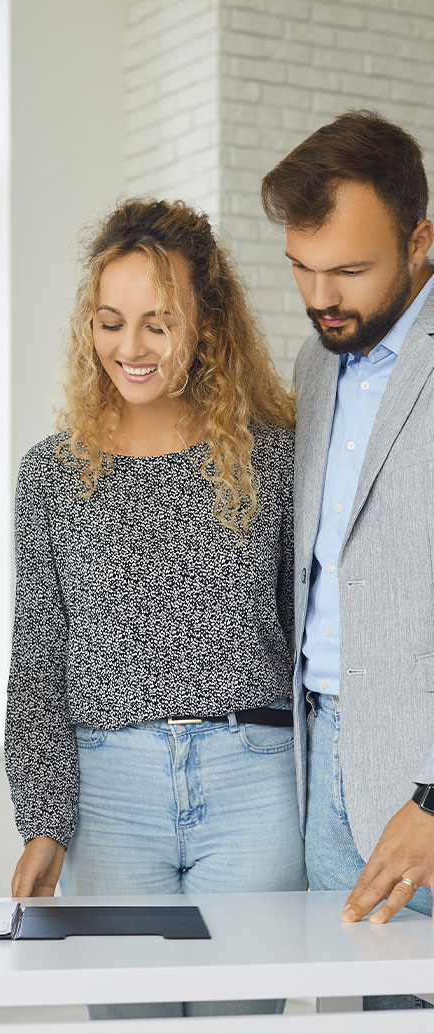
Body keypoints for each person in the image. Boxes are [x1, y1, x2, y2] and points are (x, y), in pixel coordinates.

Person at [5, 198, 304, 1019]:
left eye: (156, 323)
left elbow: (311, 635)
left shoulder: (275, 454)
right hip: (110, 796)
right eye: (109, 322)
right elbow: (38, 661)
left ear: (207, 326)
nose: (127, 349)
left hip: (255, 785)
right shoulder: (51, 474)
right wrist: (44, 819)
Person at [262, 110, 434, 1012]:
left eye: (351, 272)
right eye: (303, 269)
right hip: (323, 756)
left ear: (420, 240)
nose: (322, 296)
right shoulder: (315, 363)